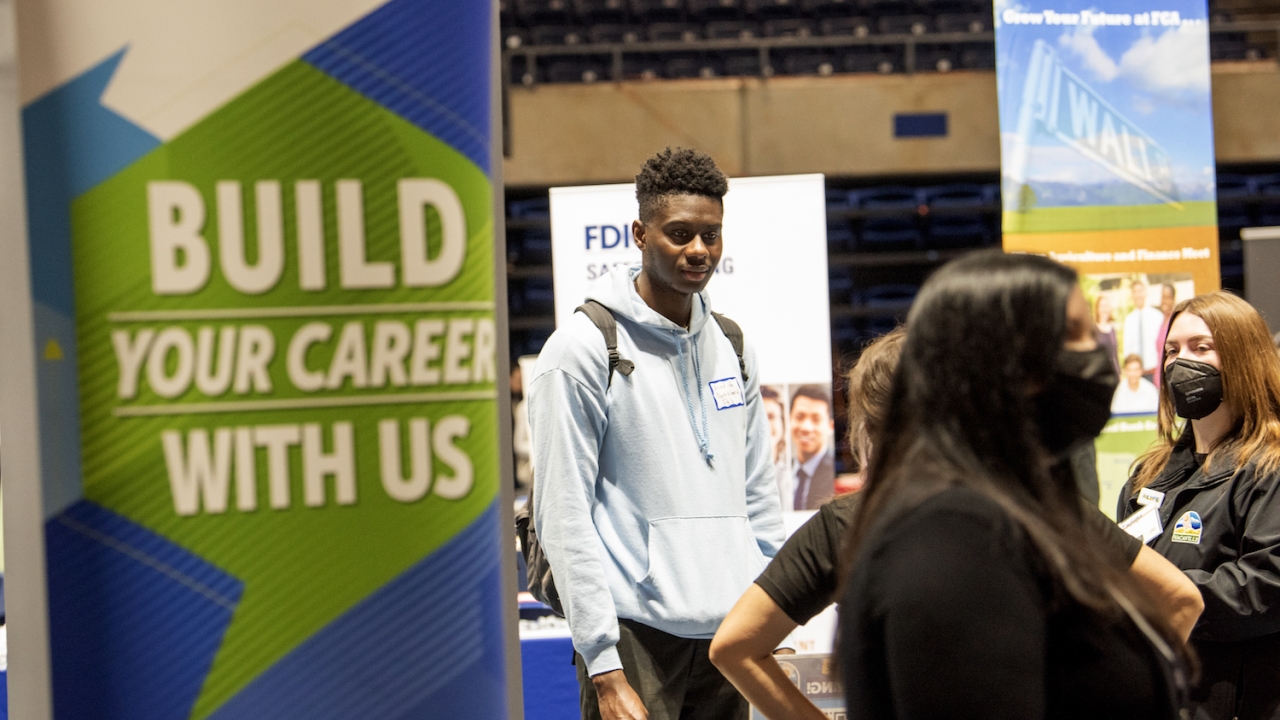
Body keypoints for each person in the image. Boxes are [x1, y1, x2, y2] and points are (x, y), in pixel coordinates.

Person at [711, 322, 1203, 720]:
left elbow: (736, 647)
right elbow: (1179, 599)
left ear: (866, 424)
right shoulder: (1037, 504)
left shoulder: (849, 522)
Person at [838, 251, 1193, 719]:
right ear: (1000, 362)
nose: (1097, 356)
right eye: (1073, 336)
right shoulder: (955, 538)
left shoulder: (1027, 506)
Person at [529, 147, 784, 720]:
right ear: (640, 233)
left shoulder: (732, 345)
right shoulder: (582, 349)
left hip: (728, 634)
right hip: (632, 640)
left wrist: (769, 618)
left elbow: (759, 495)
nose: (699, 250)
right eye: (680, 233)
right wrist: (603, 664)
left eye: (711, 236)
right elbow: (563, 514)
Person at [1117, 291, 1280, 720]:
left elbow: (1266, 586)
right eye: (1171, 350)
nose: (1179, 362)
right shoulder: (1147, 474)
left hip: (1242, 699)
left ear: (1244, 356)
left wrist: (1160, 594)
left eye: (1200, 348)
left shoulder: (1271, 465)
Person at [789, 385, 835, 510]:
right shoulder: (780, 471)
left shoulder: (834, 471)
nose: (806, 428)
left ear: (830, 426)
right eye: (799, 417)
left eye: (816, 419)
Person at [1124, 278, 1166, 379]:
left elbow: (1162, 346)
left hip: (1154, 371)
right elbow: (1127, 348)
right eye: (1135, 291)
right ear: (1132, 295)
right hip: (1136, 375)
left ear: (1146, 292)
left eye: (1140, 290)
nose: (1138, 294)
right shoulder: (1128, 320)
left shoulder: (1158, 317)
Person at [760, 386, 790, 504]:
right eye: (760, 417)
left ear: (782, 422)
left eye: (771, 417)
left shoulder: (791, 475)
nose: (766, 424)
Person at [1096, 293, 1120, 375]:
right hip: (1100, 373)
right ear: (1097, 309)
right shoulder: (1094, 330)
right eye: (1102, 306)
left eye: (1107, 306)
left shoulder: (1112, 329)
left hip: (1114, 372)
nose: (1105, 309)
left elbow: (1115, 354)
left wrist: (1119, 373)